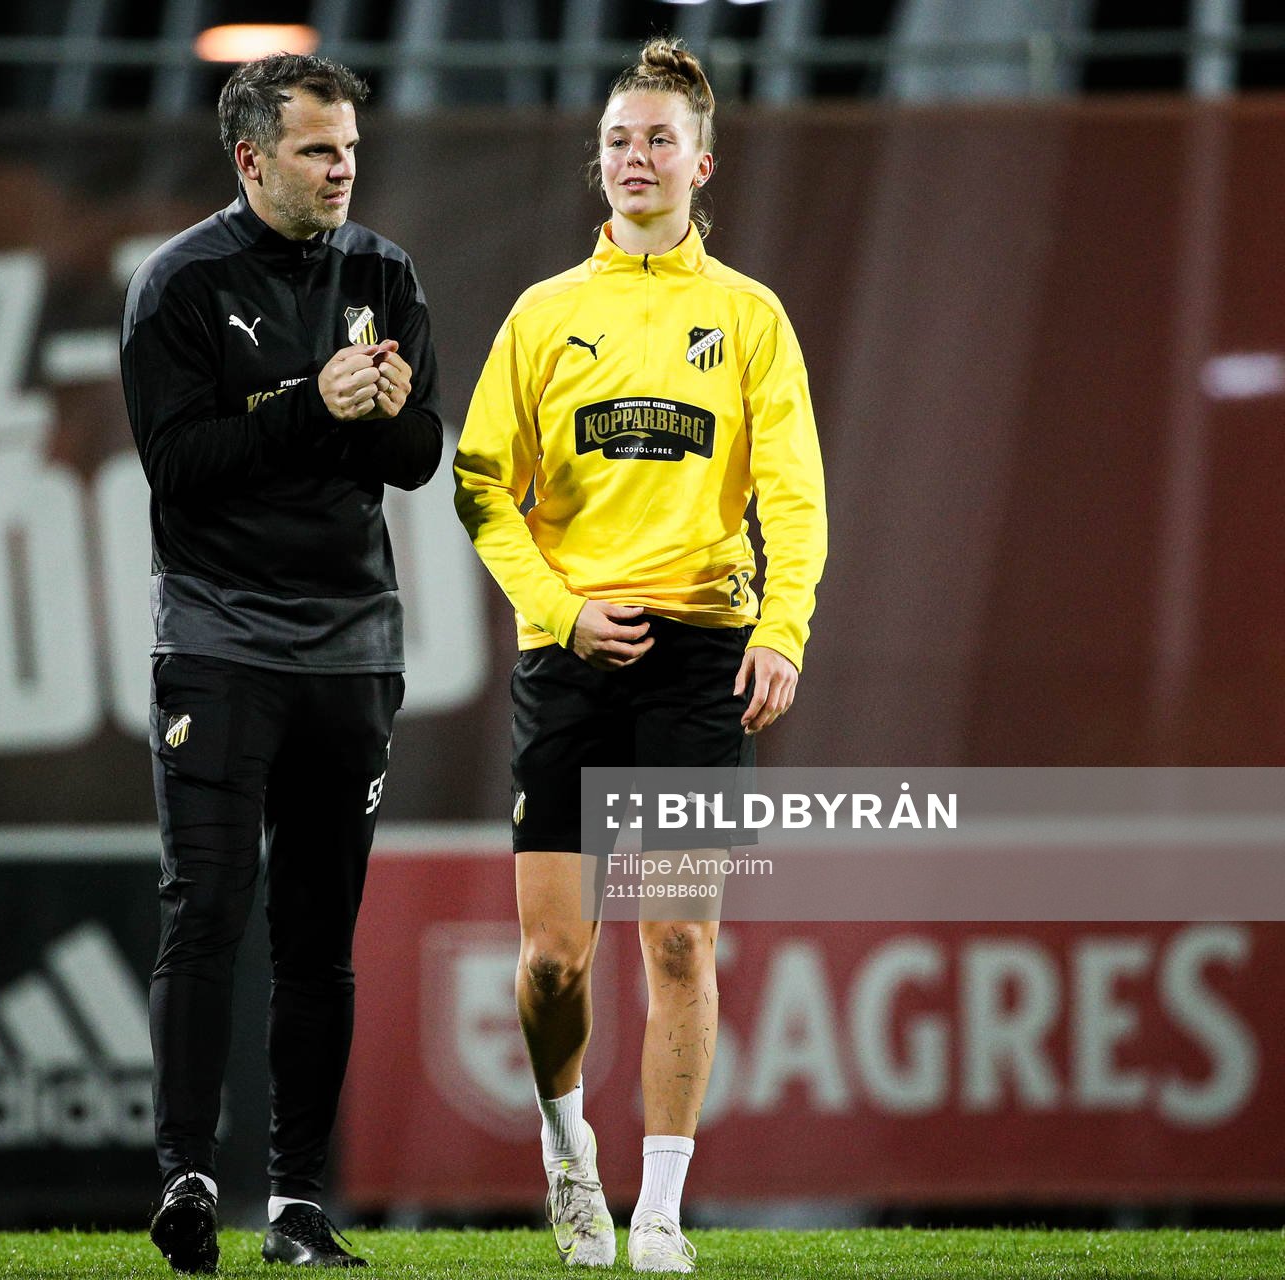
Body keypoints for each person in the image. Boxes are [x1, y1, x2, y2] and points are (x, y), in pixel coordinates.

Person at [453, 37, 827, 1275]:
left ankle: (660, 1210)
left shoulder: (749, 317)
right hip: (570, 659)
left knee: (677, 940)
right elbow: (478, 486)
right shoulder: (546, 317)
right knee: (556, 955)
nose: (636, 157)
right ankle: (570, 1156)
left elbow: (797, 495)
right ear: (595, 162)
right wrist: (556, 610)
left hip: (697, 660)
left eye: (659, 138)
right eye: (619, 139)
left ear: (701, 162)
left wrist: (780, 630)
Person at [119, 51, 443, 1274]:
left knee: (320, 936)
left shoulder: (386, 272)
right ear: (250, 158)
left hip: (352, 645)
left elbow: (416, 454)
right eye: (318, 149)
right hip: (216, 637)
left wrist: (392, 407)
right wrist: (315, 402)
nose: (344, 165)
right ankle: (187, 1176)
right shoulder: (180, 283)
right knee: (206, 909)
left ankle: (300, 1205)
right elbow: (178, 463)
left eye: (350, 145)